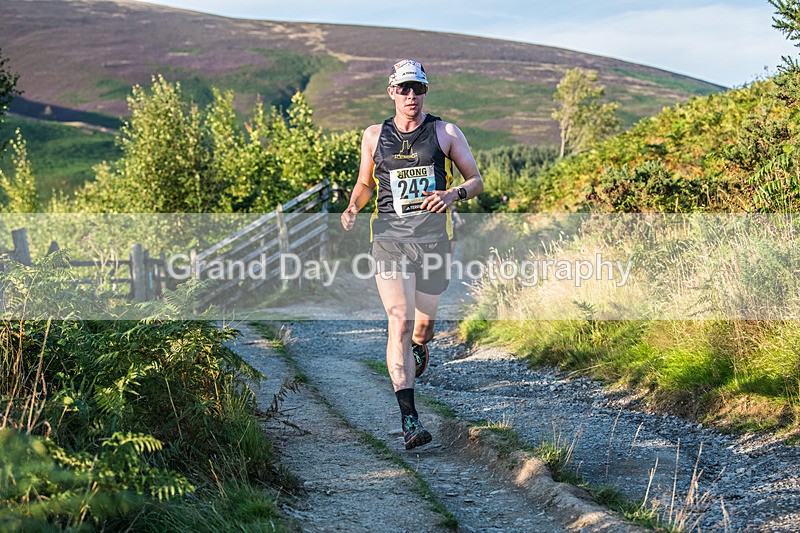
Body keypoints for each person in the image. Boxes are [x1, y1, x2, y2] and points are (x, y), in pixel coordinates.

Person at [340, 59, 483, 450]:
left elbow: (476, 180)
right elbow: (364, 183)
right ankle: (409, 420)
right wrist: (353, 206)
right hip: (389, 239)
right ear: (391, 92)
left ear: (425, 93)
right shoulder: (373, 135)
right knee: (398, 323)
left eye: (417, 89)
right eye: (403, 89)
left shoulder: (445, 132)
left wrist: (453, 194)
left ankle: (420, 348)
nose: (410, 96)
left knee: (422, 330)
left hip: (434, 241)